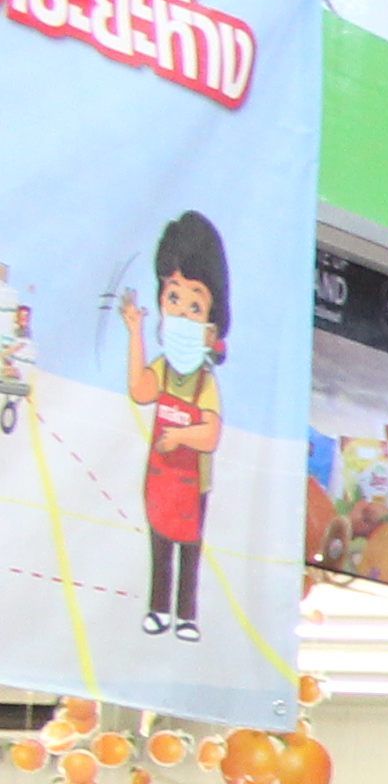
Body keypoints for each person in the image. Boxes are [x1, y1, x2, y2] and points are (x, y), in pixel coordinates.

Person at [120, 209, 225, 641]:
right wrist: (134, 333)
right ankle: (158, 609)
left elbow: (211, 434)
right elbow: (140, 389)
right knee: (159, 544)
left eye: (194, 303)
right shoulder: (164, 367)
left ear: (211, 323)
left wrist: (180, 435)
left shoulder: (204, 381)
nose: (181, 312)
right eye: (173, 297)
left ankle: (187, 615)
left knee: (190, 550)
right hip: (161, 480)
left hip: (193, 484)